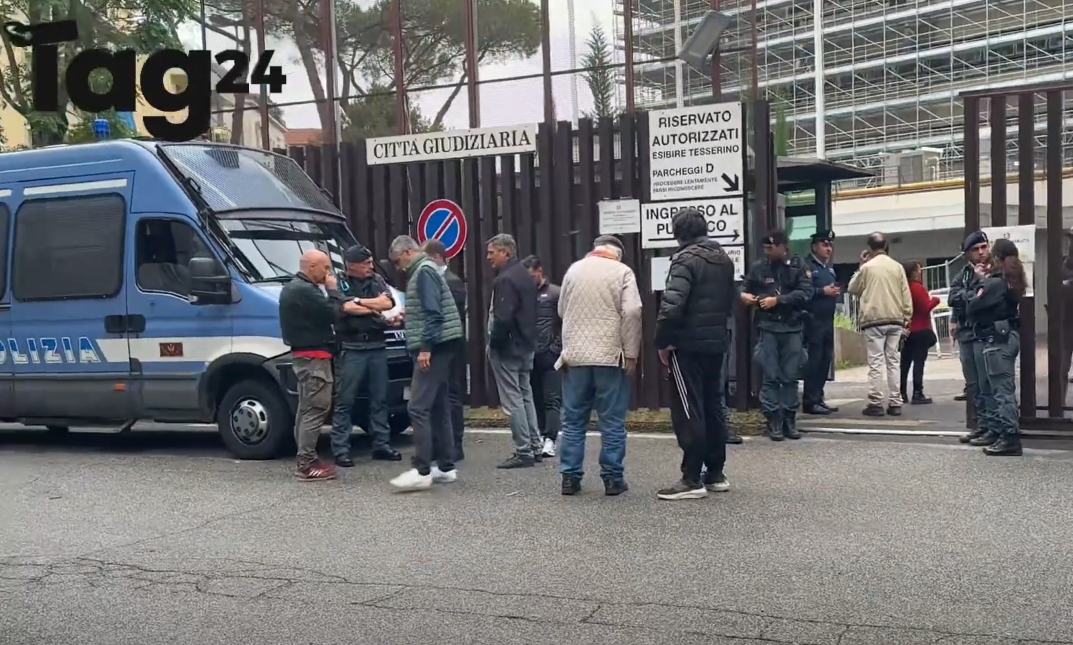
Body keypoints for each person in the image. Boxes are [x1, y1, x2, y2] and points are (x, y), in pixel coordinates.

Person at [653, 208, 736, 501]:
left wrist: (662, 342)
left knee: (689, 409)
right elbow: (730, 301)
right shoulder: (724, 260)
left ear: (678, 233)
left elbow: (672, 305)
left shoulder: (685, 260)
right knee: (714, 405)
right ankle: (715, 473)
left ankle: (691, 477)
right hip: (716, 342)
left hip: (687, 345)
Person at [557, 235, 643, 496]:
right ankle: (613, 478)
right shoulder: (622, 272)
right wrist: (631, 353)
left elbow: (562, 309)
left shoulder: (573, 270)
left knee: (573, 421)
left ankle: (570, 478)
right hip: (609, 357)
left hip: (576, 358)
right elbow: (632, 311)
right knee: (612, 421)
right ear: (617, 254)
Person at [386, 236, 464, 491]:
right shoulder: (428, 269)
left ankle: (422, 469)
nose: (399, 267)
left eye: (399, 261)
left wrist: (425, 349)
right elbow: (430, 308)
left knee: (418, 407)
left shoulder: (423, 272)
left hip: (434, 346)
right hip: (444, 344)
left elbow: (433, 313)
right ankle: (445, 466)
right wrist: (408, 316)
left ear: (408, 252)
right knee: (439, 406)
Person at [279, 249, 357, 481]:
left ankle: (306, 458)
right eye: (325, 267)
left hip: (305, 356)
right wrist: (332, 290)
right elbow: (334, 313)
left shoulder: (295, 288)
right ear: (311, 267)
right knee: (315, 410)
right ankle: (306, 463)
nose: (328, 272)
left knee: (305, 410)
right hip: (314, 358)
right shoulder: (305, 290)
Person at [329, 244, 401, 467]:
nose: (372, 266)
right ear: (352, 266)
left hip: (377, 345)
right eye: (366, 263)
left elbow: (388, 302)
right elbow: (342, 309)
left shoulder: (376, 279)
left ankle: (381, 445)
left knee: (380, 399)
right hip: (352, 347)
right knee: (345, 400)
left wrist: (358, 302)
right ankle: (341, 449)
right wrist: (373, 308)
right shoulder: (339, 281)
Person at [741, 230, 813, 441]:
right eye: (765, 248)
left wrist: (778, 300)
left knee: (790, 376)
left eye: (771, 248)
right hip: (768, 327)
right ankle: (773, 420)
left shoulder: (798, 266)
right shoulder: (759, 267)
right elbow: (745, 287)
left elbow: (805, 293)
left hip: (792, 327)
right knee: (770, 376)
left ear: (783, 247)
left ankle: (789, 419)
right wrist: (746, 296)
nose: (767, 252)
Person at [964, 238, 1026, 456]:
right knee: (1004, 389)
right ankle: (1006, 434)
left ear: (996, 256)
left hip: (996, 340)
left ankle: (1009, 437)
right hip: (1009, 336)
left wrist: (980, 281)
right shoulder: (1014, 278)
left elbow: (972, 306)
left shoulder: (995, 282)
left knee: (1001, 391)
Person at [485, 234, 542, 469]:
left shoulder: (505, 279)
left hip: (508, 347)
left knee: (512, 400)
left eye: (492, 252)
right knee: (525, 394)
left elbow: (503, 317)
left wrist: (494, 343)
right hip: (526, 344)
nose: (488, 257)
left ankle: (523, 450)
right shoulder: (525, 275)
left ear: (505, 252)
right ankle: (535, 445)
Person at [847, 232, 912, 417]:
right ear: (886, 246)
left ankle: (876, 402)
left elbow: (852, 288)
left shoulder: (867, 267)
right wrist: (907, 317)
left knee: (876, 362)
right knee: (893, 361)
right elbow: (906, 295)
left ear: (870, 249)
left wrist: (860, 265)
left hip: (874, 320)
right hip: (896, 319)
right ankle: (895, 402)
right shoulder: (897, 267)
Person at [423, 238, 469, 461]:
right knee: (440, 395)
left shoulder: (452, 282)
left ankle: (455, 444)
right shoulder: (439, 280)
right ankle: (443, 445)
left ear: (436, 257)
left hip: (450, 346)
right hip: (443, 345)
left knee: (451, 394)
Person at [949, 231, 990, 442]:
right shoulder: (965, 273)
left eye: (984, 247)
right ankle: (981, 425)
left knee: (987, 383)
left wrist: (969, 297)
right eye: (975, 249)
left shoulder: (995, 269)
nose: (981, 253)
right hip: (967, 333)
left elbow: (989, 296)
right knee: (973, 384)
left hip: (986, 334)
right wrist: (971, 294)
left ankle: (993, 427)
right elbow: (952, 297)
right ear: (967, 254)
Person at [521, 255, 562, 459]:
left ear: (539, 271)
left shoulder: (555, 293)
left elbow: (565, 322)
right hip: (529, 354)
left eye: (531, 276)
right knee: (534, 398)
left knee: (552, 399)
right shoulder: (523, 295)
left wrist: (556, 348)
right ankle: (537, 436)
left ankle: (550, 439)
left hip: (550, 355)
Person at [802, 230, 841, 415]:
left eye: (830, 245)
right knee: (814, 361)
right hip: (813, 320)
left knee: (825, 361)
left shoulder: (828, 268)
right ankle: (810, 400)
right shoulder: (807, 267)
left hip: (827, 320)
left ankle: (819, 397)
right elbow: (803, 293)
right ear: (814, 247)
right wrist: (822, 292)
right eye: (824, 245)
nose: (828, 248)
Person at [899, 260, 940, 405]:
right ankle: (918, 392)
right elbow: (924, 308)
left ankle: (901, 393)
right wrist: (935, 300)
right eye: (919, 269)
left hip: (908, 330)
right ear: (914, 272)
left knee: (905, 363)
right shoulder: (918, 288)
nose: (921, 272)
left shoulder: (904, 288)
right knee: (918, 363)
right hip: (921, 329)